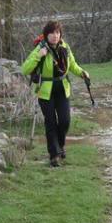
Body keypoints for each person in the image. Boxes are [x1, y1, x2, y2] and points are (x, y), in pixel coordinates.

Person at [21, 20, 89, 167]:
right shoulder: (40, 48)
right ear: (46, 35)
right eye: (51, 33)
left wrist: (82, 73)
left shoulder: (65, 47)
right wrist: (39, 55)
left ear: (60, 34)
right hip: (45, 92)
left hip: (62, 89)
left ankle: (60, 146)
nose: (55, 36)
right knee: (50, 123)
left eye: (57, 33)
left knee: (65, 121)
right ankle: (54, 155)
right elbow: (25, 69)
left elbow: (72, 65)